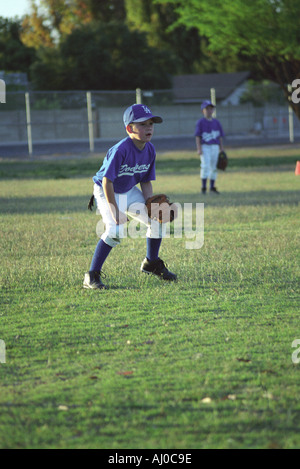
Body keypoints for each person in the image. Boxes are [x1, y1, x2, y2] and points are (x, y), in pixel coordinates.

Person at [83, 103, 177, 290]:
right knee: (116, 230)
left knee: (157, 220)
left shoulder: (150, 150)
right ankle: (91, 276)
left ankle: (151, 263)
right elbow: (106, 182)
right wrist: (115, 211)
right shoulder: (121, 150)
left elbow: (146, 181)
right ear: (129, 128)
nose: (148, 127)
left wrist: (150, 204)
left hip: (127, 190)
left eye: (151, 123)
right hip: (106, 191)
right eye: (142, 124)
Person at [195, 100, 225, 194]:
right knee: (205, 166)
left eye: (211, 108)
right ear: (202, 111)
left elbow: (220, 137)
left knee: (214, 167)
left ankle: (212, 187)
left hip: (215, 147)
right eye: (207, 108)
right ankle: (203, 188)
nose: (209, 110)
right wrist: (199, 148)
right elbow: (198, 136)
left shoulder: (216, 122)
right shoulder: (200, 122)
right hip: (205, 146)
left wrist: (221, 148)